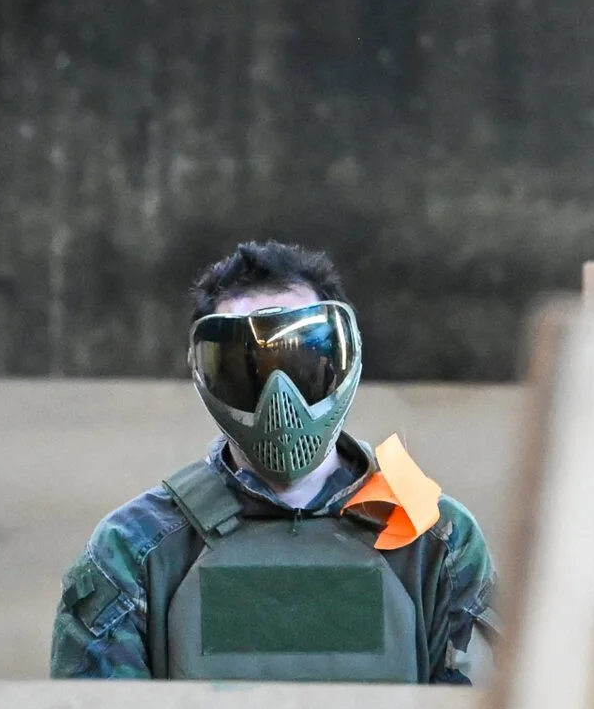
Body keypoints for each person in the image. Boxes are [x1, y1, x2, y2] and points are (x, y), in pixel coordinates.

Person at [50, 240, 496, 683]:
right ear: (207, 376)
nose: (279, 398)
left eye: (300, 361)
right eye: (247, 370)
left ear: (344, 358)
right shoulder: (133, 549)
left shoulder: (436, 541)